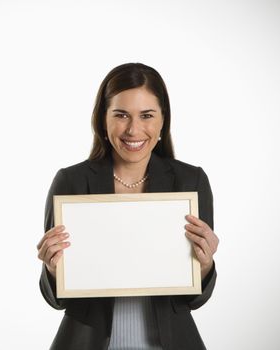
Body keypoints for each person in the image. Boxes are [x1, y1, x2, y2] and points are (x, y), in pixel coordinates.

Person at [36, 63, 219, 350]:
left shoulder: (190, 181)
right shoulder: (71, 181)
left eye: (147, 115)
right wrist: (52, 269)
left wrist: (205, 266)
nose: (133, 129)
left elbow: (194, 299)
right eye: (121, 115)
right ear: (102, 119)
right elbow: (56, 299)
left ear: (162, 121)